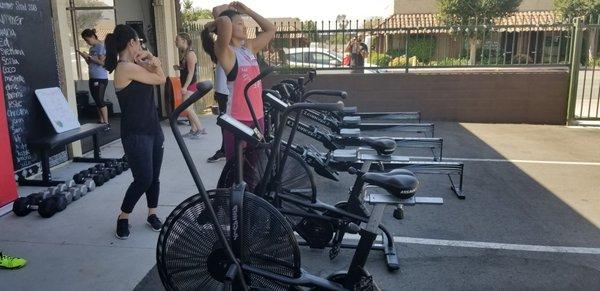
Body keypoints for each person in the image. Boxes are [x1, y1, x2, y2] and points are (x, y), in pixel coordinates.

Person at [104, 25, 166, 240]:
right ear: (132, 42)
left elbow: (156, 75)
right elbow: (160, 78)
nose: (141, 44)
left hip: (153, 129)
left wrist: (148, 61)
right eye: (139, 41)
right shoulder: (124, 68)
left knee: (154, 177)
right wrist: (153, 60)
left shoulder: (134, 65)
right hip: (136, 133)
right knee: (143, 178)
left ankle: (152, 213)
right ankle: (123, 216)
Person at [201, 2, 275, 161]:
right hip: (237, 121)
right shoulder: (225, 52)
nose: (244, 26)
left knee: (255, 167)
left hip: (257, 118)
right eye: (240, 23)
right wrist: (213, 25)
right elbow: (225, 22)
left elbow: (271, 29)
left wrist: (247, 11)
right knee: (236, 172)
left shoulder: (249, 48)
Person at [173, 32, 206, 139]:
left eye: (177, 40)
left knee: (187, 108)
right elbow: (186, 69)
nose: (175, 42)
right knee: (189, 108)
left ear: (184, 41)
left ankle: (200, 129)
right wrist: (179, 68)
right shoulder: (185, 53)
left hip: (190, 85)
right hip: (187, 84)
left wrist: (185, 87)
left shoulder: (190, 54)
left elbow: (191, 72)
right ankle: (193, 129)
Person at [78, 28, 110, 127]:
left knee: (100, 100)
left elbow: (102, 63)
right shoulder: (92, 48)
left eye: (87, 40)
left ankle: (106, 123)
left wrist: (90, 57)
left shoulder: (101, 46)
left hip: (100, 77)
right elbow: (89, 62)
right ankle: (101, 121)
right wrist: (84, 56)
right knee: (97, 100)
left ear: (92, 37)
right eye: (85, 41)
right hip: (92, 77)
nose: (87, 42)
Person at [206, 64, 229, 163]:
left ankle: (226, 150)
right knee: (224, 123)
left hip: (227, 93)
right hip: (222, 92)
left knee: (227, 124)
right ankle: (225, 149)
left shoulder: (229, 50)